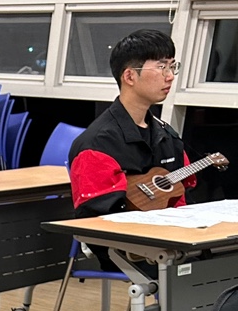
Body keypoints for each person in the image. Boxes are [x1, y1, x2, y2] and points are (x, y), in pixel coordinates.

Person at [68, 29, 194, 220]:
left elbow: (182, 199)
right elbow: (95, 223)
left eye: (172, 67)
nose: (170, 76)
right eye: (161, 67)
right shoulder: (96, 145)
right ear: (129, 77)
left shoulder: (168, 137)